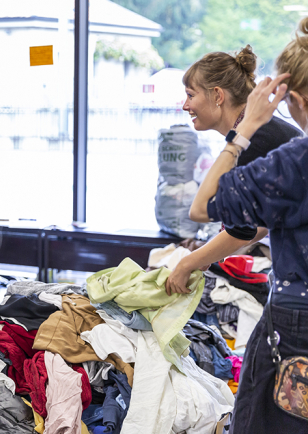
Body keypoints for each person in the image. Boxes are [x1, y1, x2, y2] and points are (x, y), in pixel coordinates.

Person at [188, 18, 308, 433]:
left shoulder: (281, 149)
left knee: (258, 415)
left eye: (190, 94)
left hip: (296, 313)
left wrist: (243, 132)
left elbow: (213, 211)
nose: (184, 105)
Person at [165, 45, 302, 296]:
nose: (185, 105)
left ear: (218, 95)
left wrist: (189, 262)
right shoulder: (261, 133)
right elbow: (260, 219)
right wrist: (209, 252)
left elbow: (226, 222)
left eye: (190, 95)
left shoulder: (253, 139)